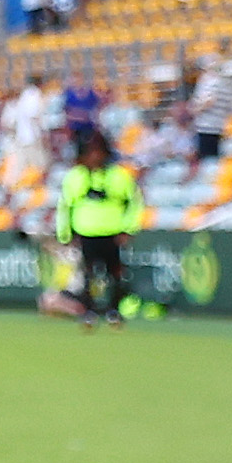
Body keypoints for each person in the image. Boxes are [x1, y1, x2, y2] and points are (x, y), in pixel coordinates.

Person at [54, 122, 143, 323]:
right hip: (86, 233)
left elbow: (135, 203)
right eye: (90, 152)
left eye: (98, 152)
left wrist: (129, 229)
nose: (94, 157)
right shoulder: (74, 177)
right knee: (88, 275)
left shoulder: (119, 176)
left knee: (116, 275)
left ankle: (113, 311)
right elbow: (65, 207)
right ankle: (89, 311)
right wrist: (65, 234)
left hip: (112, 232)